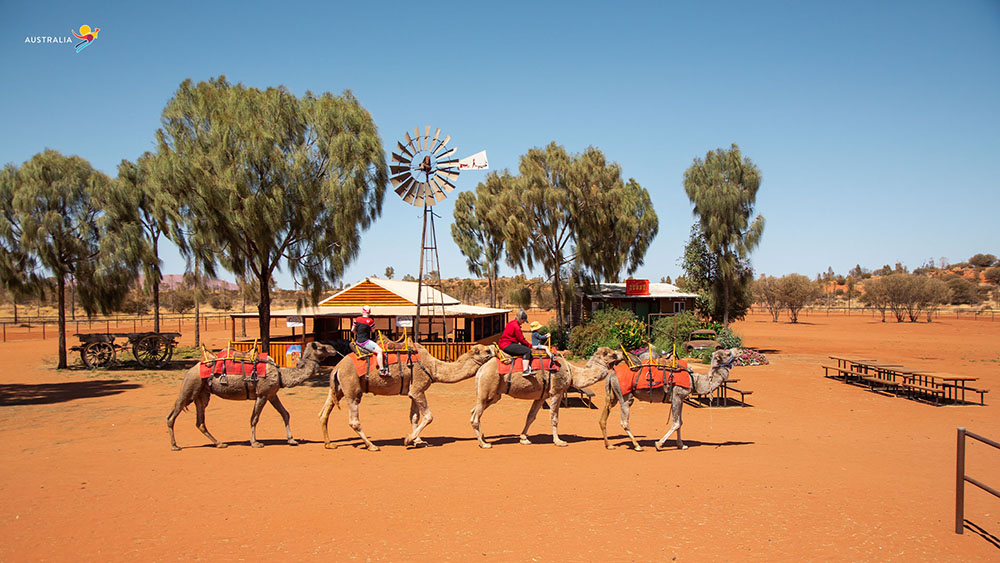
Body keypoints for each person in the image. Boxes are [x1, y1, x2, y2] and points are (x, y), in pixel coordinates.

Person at [352, 305, 388, 376]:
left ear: (362, 311)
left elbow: (352, 330)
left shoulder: (357, 319)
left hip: (358, 341)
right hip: (365, 341)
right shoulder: (370, 321)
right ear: (369, 312)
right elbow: (373, 331)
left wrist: (358, 334)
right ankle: (382, 370)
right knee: (380, 351)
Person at [499, 310, 534, 376]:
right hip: (508, 345)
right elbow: (522, 340)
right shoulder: (516, 327)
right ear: (521, 319)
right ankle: (525, 370)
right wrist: (530, 346)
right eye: (523, 320)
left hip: (503, 343)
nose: (523, 322)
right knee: (527, 351)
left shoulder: (511, 323)